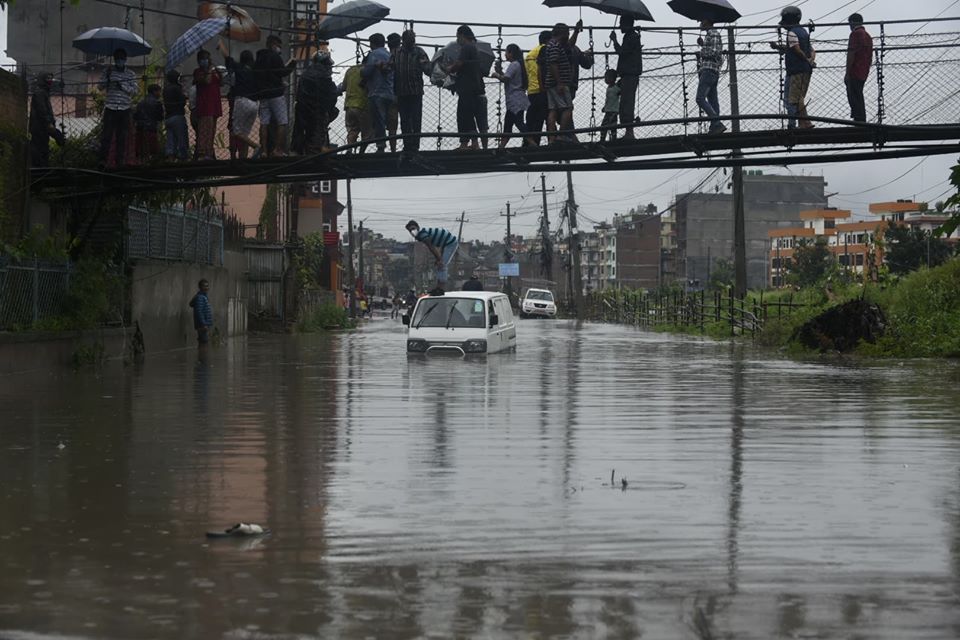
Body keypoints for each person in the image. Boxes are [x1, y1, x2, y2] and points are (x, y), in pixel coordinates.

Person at [773, 6, 815, 129]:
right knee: (795, 97)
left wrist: (806, 60)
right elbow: (811, 50)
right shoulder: (803, 32)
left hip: (796, 70)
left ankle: (799, 123)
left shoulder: (792, 33)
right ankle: (802, 122)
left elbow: (796, 49)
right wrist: (810, 61)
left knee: (794, 98)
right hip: (801, 69)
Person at [255, 35, 296, 156]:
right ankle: (278, 149)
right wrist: (292, 65)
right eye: (279, 46)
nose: (280, 49)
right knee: (282, 121)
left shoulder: (259, 58)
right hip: (276, 95)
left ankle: (264, 150)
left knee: (264, 123)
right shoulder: (275, 57)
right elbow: (282, 72)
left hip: (263, 95)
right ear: (273, 45)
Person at [445, 25, 484, 151]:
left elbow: (459, 64)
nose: (457, 40)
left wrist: (450, 68)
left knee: (463, 115)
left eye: (457, 36)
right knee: (469, 114)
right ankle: (474, 142)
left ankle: (465, 143)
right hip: (474, 86)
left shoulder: (466, 47)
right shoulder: (474, 48)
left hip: (466, 86)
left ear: (462, 35)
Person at [393, 30, 431, 153]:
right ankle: (407, 145)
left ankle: (415, 145)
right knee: (405, 120)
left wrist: (427, 65)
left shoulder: (419, 52)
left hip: (415, 91)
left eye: (413, 40)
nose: (412, 42)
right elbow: (389, 67)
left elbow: (427, 69)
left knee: (415, 119)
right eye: (410, 40)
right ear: (403, 41)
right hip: (402, 91)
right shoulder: (396, 53)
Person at [293, 51, 338, 154]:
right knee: (317, 131)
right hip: (317, 109)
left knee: (303, 132)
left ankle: (303, 150)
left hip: (303, 108)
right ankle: (317, 150)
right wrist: (329, 108)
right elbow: (331, 94)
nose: (330, 67)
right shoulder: (324, 75)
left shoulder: (306, 73)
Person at [98, 48, 137, 166]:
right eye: (117, 58)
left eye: (122, 58)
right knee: (107, 135)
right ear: (114, 59)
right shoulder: (108, 71)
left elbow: (134, 91)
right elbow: (100, 87)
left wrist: (123, 86)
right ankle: (103, 160)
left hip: (124, 108)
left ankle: (120, 161)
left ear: (125, 59)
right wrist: (108, 78)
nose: (120, 60)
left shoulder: (130, 73)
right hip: (111, 107)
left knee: (122, 136)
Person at [221, 45, 261, 159]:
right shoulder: (255, 71)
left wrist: (220, 45)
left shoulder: (238, 67)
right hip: (254, 104)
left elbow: (227, 57)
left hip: (242, 101)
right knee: (244, 134)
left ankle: (256, 146)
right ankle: (243, 158)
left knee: (236, 132)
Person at [490, 44, 529, 149]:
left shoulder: (514, 64)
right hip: (518, 99)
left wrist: (496, 75)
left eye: (506, 52)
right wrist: (500, 72)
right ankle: (501, 147)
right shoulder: (519, 64)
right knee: (509, 124)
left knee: (518, 123)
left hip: (514, 100)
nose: (505, 54)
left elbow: (506, 79)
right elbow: (510, 79)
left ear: (511, 53)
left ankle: (532, 143)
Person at [361, 33, 395, 153]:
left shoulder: (373, 54)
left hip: (376, 92)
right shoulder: (389, 55)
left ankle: (380, 146)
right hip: (389, 92)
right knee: (387, 121)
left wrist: (362, 68)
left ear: (372, 43)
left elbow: (367, 72)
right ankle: (392, 147)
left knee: (378, 120)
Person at [610, 17, 642, 140]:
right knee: (625, 103)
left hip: (630, 74)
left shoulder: (631, 37)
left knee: (627, 103)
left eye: (621, 24)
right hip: (628, 73)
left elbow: (622, 52)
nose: (619, 27)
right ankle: (629, 132)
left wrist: (614, 41)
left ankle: (630, 133)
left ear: (626, 24)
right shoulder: (630, 36)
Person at [406, 220, 459, 292]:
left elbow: (431, 247)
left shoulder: (422, 234)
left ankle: (441, 288)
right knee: (439, 264)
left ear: (418, 227)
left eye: (413, 228)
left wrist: (439, 259)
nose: (412, 231)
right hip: (445, 244)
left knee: (442, 265)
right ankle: (439, 286)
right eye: (410, 230)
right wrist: (438, 259)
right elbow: (435, 246)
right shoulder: (421, 234)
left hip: (450, 243)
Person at [544, 23, 574, 144]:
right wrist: (560, 82)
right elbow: (554, 64)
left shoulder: (550, 45)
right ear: (563, 33)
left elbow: (569, 45)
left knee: (553, 110)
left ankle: (552, 138)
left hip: (550, 83)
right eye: (567, 33)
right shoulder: (556, 45)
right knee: (568, 108)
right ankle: (561, 136)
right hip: (558, 83)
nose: (568, 35)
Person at [696, 19, 726, 134]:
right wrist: (703, 44)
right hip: (713, 70)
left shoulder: (712, 33)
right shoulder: (712, 34)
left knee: (700, 98)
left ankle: (717, 123)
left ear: (706, 22)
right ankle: (715, 127)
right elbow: (713, 49)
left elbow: (714, 52)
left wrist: (702, 52)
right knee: (713, 100)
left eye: (701, 21)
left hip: (709, 69)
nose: (700, 24)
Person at [193, 49, 222, 160]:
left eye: (208, 58)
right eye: (205, 59)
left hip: (214, 104)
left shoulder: (213, 71)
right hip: (205, 105)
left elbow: (221, 82)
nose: (207, 61)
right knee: (205, 129)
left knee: (212, 130)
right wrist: (209, 70)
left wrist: (217, 71)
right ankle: (202, 152)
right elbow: (207, 81)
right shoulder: (198, 72)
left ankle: (209, 152)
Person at [29, 72, 63, 167]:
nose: (50, 81)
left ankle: (41, 171)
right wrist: (49, 124)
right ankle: (40, 173)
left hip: (41, 128)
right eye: (48, 78)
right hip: (39, 129)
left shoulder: (43, 92)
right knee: (40, 152)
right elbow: (42, 111)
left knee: (43, 151)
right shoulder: (40, 93)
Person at [525, 31, 552, 146]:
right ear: (548, 40)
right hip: (543, 89)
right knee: (545, 117)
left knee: (532, 120)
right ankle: (550, 141)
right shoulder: (546, 50)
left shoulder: (530, 54)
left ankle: (529, 144)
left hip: (531, 91)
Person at [845, 13, 873, 123]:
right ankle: (860, 117)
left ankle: (859, 118)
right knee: (858, 93)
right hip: (864, 68)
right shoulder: (868, 36)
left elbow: (851, 53)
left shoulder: (855, 34)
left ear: (853, 22)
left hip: (855, 68)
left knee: (853, 93)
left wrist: (847, 72)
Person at [339, 63, 373, 153]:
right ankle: (362, 152)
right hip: (363, 105)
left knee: (352, 129)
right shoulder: (369, 71)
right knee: (366, 132)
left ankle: (349, 149)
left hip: (349, 105)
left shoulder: (350, 70)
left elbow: (343, 87)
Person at [133, 84, 164, 163]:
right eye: (159, 91)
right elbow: (160, 117)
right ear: (154, 91)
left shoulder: (140, 102)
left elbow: (135, 115)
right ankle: (150, 162)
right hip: (151, 128)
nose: (160, 94)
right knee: (152, 149)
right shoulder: (157, 103)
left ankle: (140, 162)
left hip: (140, 127)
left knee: (141, 149)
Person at [163, 70, 189, 161]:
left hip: (168, 117)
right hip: (177, 116)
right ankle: (183, 157)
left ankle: (170, 157)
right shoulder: (177, 88)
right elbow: (182, 102)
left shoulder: (165, 89)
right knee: (181, 138)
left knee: (170, 139)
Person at [385, 32, 402, 152]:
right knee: (398, 123)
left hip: (386, 92)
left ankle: (386, 148)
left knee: (386, 123)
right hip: (401, 93)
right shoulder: (403, 54)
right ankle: (396, 148)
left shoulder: (387, 56)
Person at [189, 279, 214, 346]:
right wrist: (204, 324)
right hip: (202, 325)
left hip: (204, 325)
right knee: (204, 343)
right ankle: (202, 356)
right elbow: (199, 312)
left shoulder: (203, 297)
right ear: (200, 287)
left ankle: (201, 356)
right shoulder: (200, 297)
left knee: (203, 342)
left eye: (207, 286)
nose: (206, 288)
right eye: (204, 286)